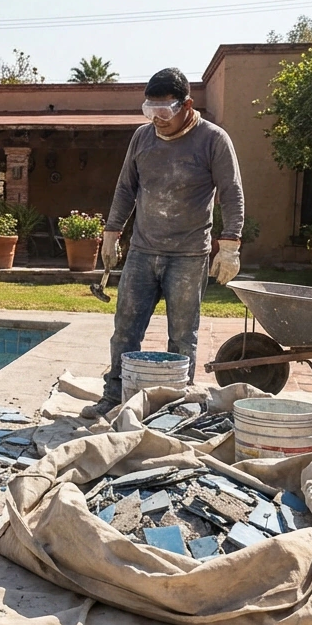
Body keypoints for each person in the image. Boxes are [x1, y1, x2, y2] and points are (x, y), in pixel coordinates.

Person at [82, 67, 245, 419]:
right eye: (150, 110)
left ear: (186, 105)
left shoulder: (213, 139)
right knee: (125, 330)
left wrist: (230, 244)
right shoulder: (142, 138)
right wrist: (111, 233)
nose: (157, 118)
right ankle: (114, 396)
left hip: (189, 255)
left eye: (164, 110)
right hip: (143, 251)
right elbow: (126, 188)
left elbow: (231, 192)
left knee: (182, 337)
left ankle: (177, 404)